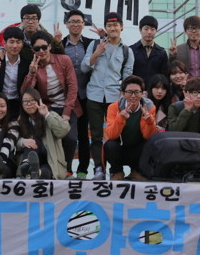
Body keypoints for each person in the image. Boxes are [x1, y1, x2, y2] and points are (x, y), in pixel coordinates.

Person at [81, 11, 134, 180]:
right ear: (105, 27)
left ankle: (115, 170)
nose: (112, 28)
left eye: (115, 25)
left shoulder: (127, 51)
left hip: (114, 98)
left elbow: (127, 77)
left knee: (114, 135)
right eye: (109, 25)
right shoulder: (95, 45)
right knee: (96, 135)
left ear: (121, 27)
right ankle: (99, 169)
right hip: (94, 95)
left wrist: (123, 96)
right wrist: (97, 53)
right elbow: (84, 67)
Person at [22, 31, 80, 175]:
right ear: (33, 50)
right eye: (37, 49)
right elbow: (26, 92)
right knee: (50, 140)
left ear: (50, 46)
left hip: (68, 106)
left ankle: (67, 170)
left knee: (71, 138)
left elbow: (73, 87)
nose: (41, 51)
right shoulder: (35, 66)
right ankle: (48, 170)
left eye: (44, 47)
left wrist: (66, 113)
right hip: (48, 108)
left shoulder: (64, 60)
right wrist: (32, 73)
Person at [61, 9, 96, 179]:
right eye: (72, 21)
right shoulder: (59, 44)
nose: (75, 24)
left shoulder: (91, 44)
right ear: (66, 24)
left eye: (78, 21)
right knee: (67, 135)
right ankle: (66, 168)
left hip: (86, 95)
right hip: (66, 98)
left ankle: (83, 170)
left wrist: (104, 36)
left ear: (83, 24)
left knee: (83, 135)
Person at [104, 75, 158, 180]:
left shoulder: (149, 107)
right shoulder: (113, 107)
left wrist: (150, 121)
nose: (133, 96)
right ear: (123, 93)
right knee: (110, 145)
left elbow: (149, 137)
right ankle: (117, 171)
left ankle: (137, 171)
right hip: (120, 149)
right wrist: (121, 117)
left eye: (137, 92)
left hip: (137, 149)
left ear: (143, 93)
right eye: (129, 92)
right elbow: (111, 135)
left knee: (149, 144)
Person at [16, 88, 70, 179]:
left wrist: (46, 115)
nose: (29, 104)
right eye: (25, 101)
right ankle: (27, 166)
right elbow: (14, 142)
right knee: (32, 142)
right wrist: (22, 141)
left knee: (46, 171)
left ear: (38, 101)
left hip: (51, 159)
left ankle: (35, 171)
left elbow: (63, 130)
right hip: (31, 155)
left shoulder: (50, 115)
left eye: (32, 100)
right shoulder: (20, 121)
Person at [0, 27, 30, 118]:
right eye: (11, 42)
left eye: (18, 42)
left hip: (17, 104)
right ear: (4, 43)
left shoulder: (26, 63)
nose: (15, 46)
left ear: (22, 44)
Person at [168, 76, 200, 159]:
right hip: (181, 142)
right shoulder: (175, 107)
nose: (199, 96)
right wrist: (186, 110)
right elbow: (173, 131)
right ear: (186, 93)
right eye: (195, 93)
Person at [130, 15, 168, 87]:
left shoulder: (161, 52)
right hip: (136, 90)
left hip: (155, 91)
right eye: (146, 29)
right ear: (140, 30)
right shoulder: (131, 50)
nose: (149, 32)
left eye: (152, 29)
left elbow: (164, 76)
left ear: (156, 31)